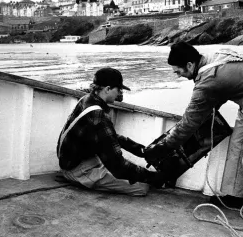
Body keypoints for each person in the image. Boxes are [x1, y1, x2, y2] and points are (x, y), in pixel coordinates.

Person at [143, 41, 243, 207]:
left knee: (239, 149)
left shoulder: (206, 83)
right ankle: (236, 197)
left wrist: (165, 146)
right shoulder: (213, 56)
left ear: (190, 65)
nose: (178, 75)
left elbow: (189, 124)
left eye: (178, 71)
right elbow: (225, 88)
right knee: (237, 148)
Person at [56, 67, 165, 196]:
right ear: (107, 89)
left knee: (131, 171)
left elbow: (110, 137)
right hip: (77, 170)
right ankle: (79, 179)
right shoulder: (98, 116)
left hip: (71, 162)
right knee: (142, 188)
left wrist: (142, 151)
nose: (120, 93)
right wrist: (155, 177)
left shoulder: (86, 99)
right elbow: (119, 167)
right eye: (118, 89)